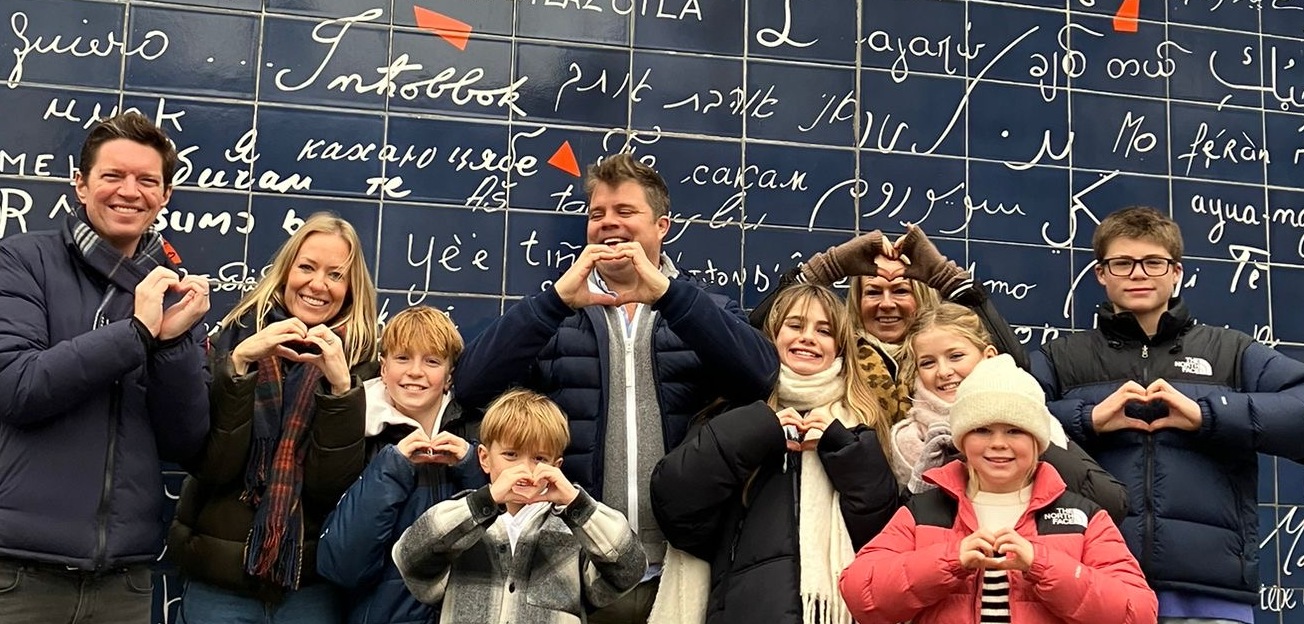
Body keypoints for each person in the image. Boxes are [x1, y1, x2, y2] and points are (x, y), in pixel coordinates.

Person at [454, 153, 778, 622]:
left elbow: (762, 376)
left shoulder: (703, 308)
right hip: (578, 564)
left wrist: (671, 297)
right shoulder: (556, 315)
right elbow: (471, 384)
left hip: (685, 566)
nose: (609, 224)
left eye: (625, 212)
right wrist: (554, 302)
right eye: (597, 214)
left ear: (662, 225)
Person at [1030, 206, 1304, 624]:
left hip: (1210, 594)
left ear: (1176, 271)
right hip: (1088, 584)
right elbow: (997, 423)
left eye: (1153, 262)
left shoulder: (1231, 352)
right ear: (1101, 274)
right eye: (1122, 263)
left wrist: (1207, 416)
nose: (1138, 273)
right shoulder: (1061, 358)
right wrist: (1088, 420)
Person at [0, 111, 211, 622]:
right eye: (112, 176)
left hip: (124, 581)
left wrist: (172, 345)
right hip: (19, 574)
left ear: (164, 195)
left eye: (146, 180)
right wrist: (135, 333)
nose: (129, 192)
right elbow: (19, 389)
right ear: (80, 184)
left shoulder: (172, 290)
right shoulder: (23, 260)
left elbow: (187, 441)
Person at [167, 212, 379, 623]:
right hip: (220, 583)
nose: (318, 285)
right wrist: (241, 365)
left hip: (309, 587)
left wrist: (340, 391)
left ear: (351, 289)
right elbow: (213, 465)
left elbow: (330, 489)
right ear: (285, 272)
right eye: (307, 267)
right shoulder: (232, 338)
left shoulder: (363, 364)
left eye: (336, 275)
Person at [839, 355, 1158, 624]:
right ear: (961, 440)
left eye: (1015, 430)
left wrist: (1040, 563)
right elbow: (860, 592)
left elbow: (1138, 612)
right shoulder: (924, 511)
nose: (998, 444)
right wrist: (950, 560)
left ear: (1038, 441)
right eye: (982, 430)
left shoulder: (1082, 517)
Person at [650, 283, 901, 624]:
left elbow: (880, 533)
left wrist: (843, 448)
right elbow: (677, 508)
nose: (808, 337)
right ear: (771, 337)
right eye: (795, 326)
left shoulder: (863, 423)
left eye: (824, 331)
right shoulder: (731, 412)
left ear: (840, 348)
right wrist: (757, 429)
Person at [392, 389, 647, 624]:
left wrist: (576, 502)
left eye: (539, 458)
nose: (525, 469)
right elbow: (409, 558)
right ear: (484, 458)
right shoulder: (459, 517)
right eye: (511, 455)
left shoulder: (574, 527)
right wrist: (485, 501)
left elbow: (629, 569)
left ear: (556, 466)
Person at [749, 224, 1028, 422]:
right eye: (872, 292)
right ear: (857, 301)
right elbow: (751, 344)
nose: (886, 303)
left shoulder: (945, 356)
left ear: (920, 298)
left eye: (900, 291)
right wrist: (827, 268)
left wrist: (949, 281)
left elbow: (1017, 372)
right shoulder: (836, 353)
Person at [318, 305, 487, 624]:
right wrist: (391, 468)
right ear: (383, 368)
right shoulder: (356, 432)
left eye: (432, 361)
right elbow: (341, 567)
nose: (415, 372)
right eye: (402, 358)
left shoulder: (480, 434)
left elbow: (504, 549)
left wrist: (471, 465)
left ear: (449, 376)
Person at [894, 303, 1128, 523]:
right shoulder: (909, 440)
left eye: (956, 356)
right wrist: (921, 482)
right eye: (927, 363)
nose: (943, 371)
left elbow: (1110, 503)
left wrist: (1028, 432)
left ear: (989, 357)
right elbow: (905, 531)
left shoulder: (1035, 417)